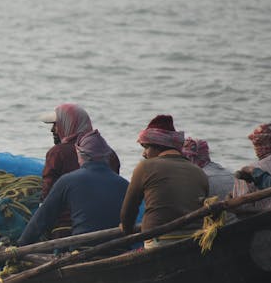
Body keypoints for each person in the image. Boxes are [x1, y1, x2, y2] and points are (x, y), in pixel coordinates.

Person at [17, 130, 128, 246]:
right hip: (118, 247)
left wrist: (21, 245)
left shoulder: (67, 181)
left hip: (83, 248)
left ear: (80, 155)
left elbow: (43, 217)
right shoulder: (124, 184)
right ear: (107, 157)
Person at [120, 115, 209, 248]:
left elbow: (128, 213)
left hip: (159, 241)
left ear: (158, 146)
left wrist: (126, 230)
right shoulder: (199, 171)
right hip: (195, 242)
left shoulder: (145, 167)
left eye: (146, 147)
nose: (144, 154)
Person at [38, 103, 121, 238]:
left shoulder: (57, 153)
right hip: (108, 226)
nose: (52, 130)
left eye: (56, 124)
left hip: (65, 228)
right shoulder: (110, 154)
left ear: (68, 124)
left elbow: (47, 198)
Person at [230, 123, 271, 212]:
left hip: (266, 223)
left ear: (257, 147)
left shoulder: (248, 170)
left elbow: (240, 209)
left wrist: (253, 171)